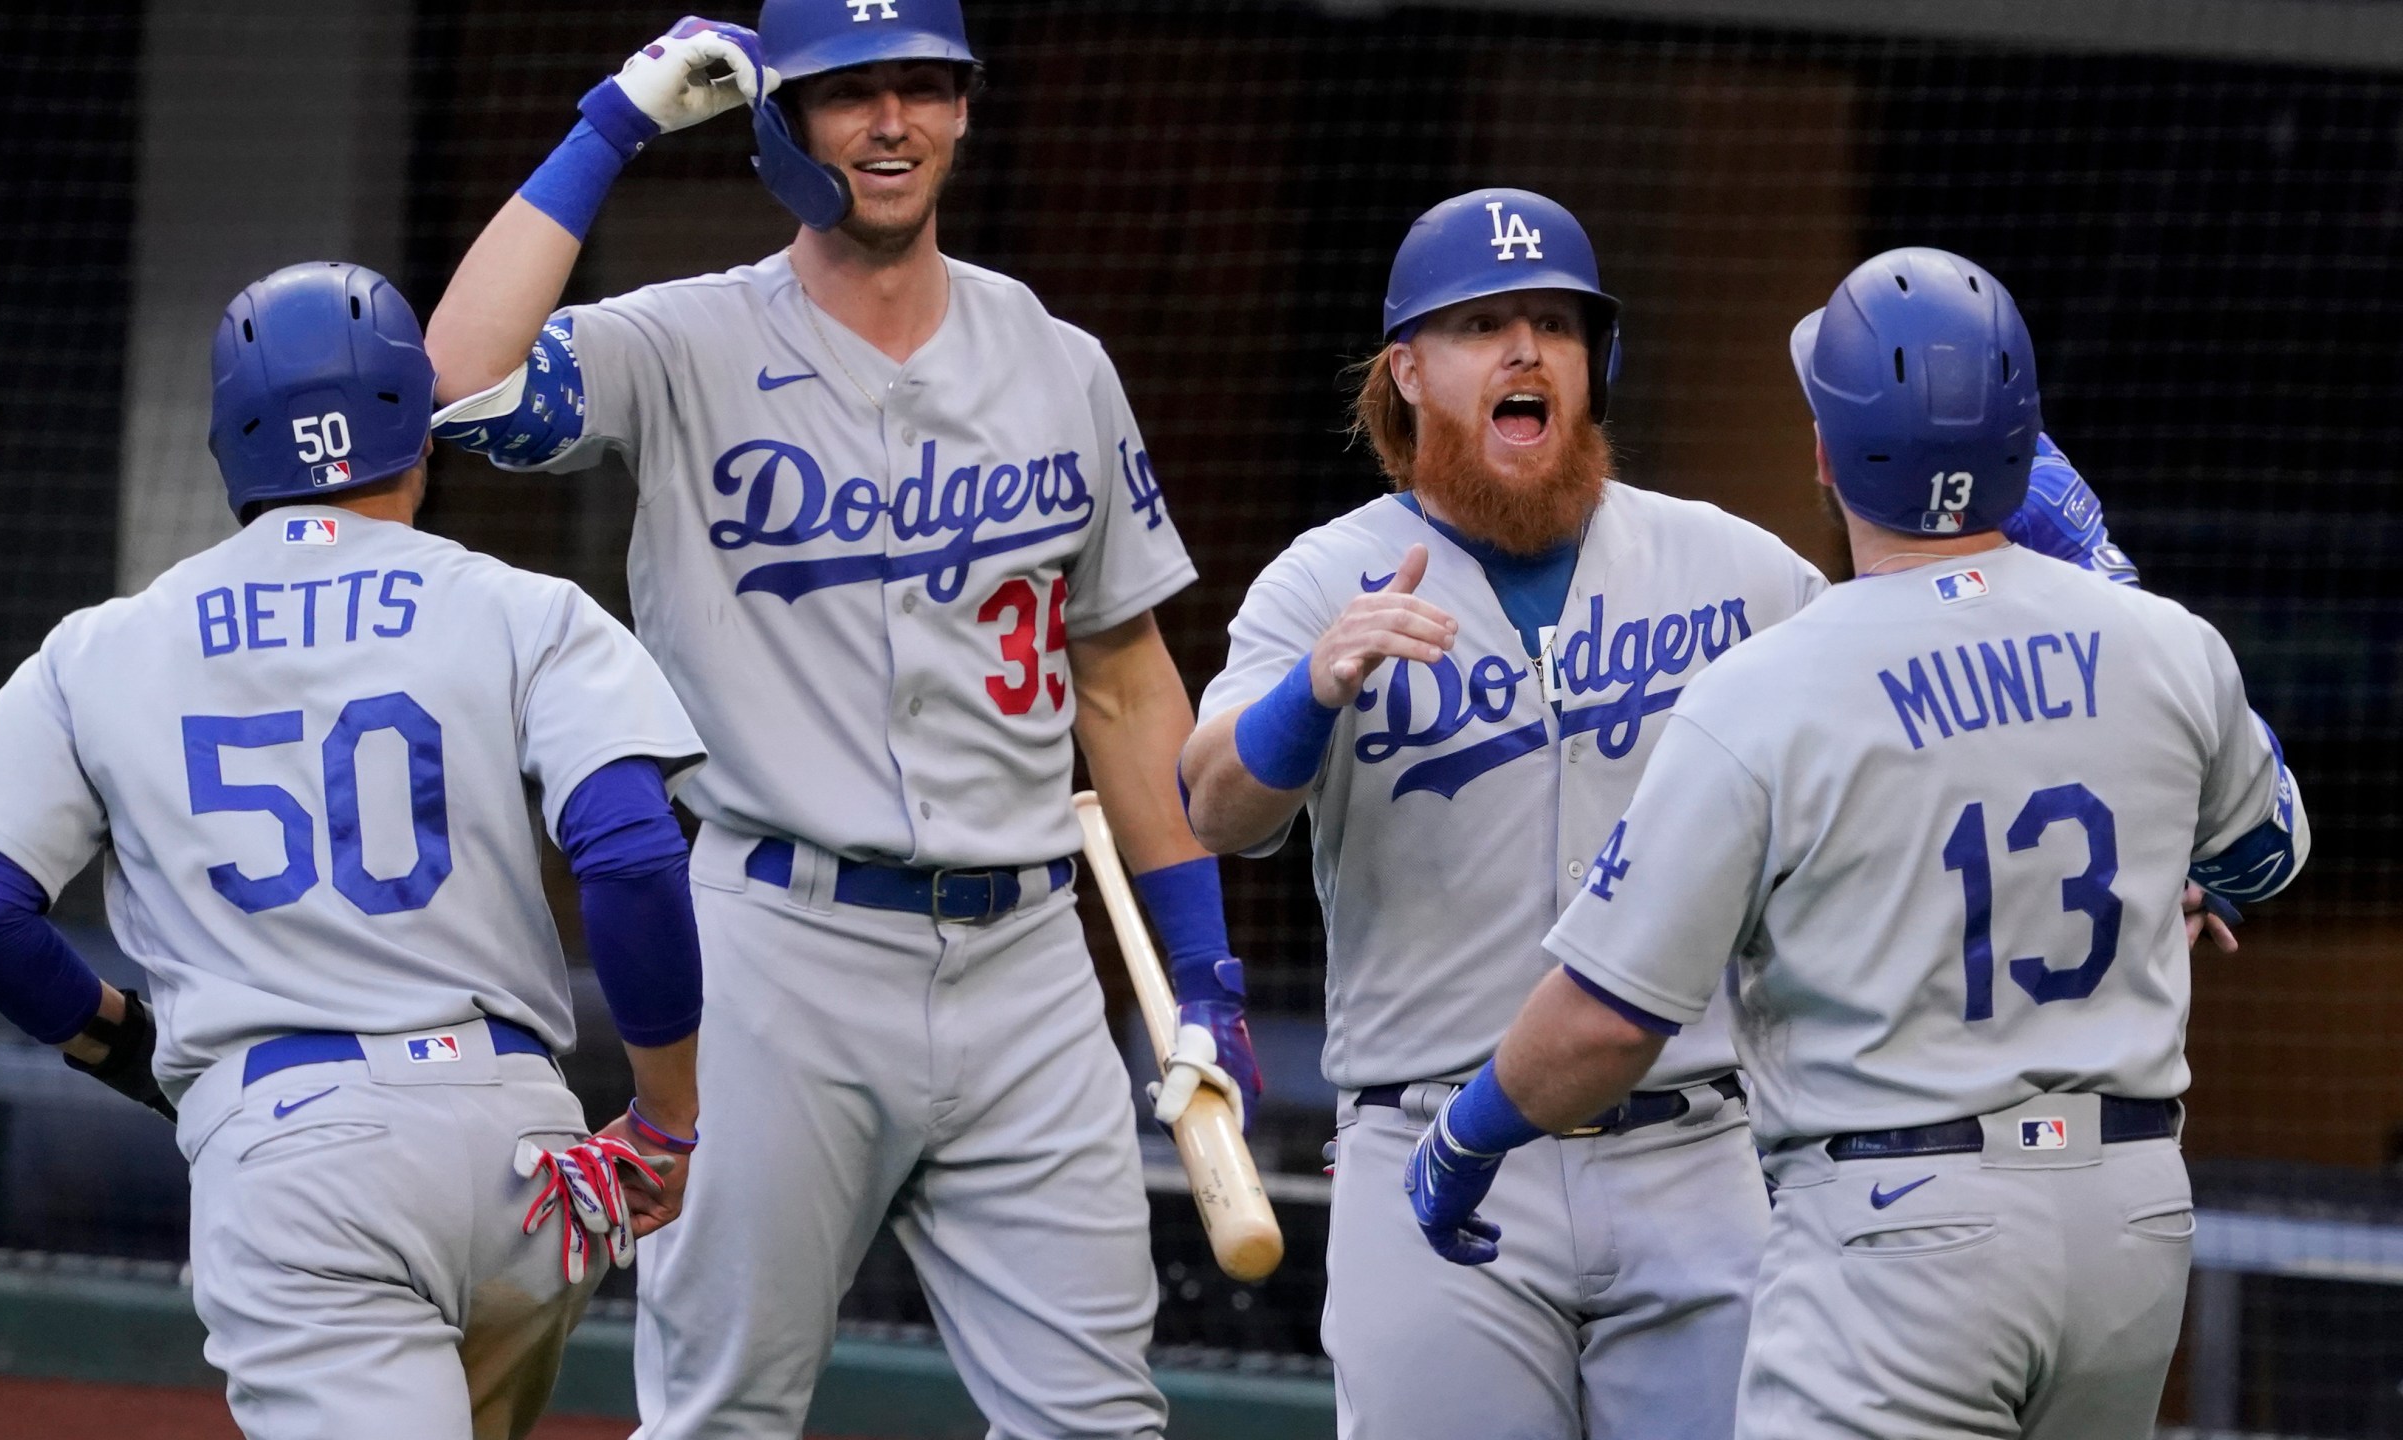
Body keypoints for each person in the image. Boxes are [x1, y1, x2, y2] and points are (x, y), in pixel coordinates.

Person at [421, 4, 1243, 1436]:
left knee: (1101, 1421)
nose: (890, 122)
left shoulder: (1060, 364)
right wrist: (609, 122)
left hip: (1030, 960)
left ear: (967, 108)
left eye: (923, 86)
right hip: (775, 948)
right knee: (726, 1414)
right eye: (848, 92)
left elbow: (1122, 681)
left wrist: (1200, 973)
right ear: (780, 126)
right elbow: (458, 385)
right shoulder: (682, 342)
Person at [1406, 247, 2305, 1439]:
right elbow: (2264, 859)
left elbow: (1608, 1019)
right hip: (2129, 1224)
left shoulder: (1764, 686)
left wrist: (1464, 1136)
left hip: (1900, 1227)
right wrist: (2107, 574)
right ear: (2023, 449)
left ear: (1827, 457)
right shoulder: (2166, 642)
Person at [0, 261, 711, 1440]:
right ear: (416, 426)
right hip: (524, 1157)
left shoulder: (103, 646)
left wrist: (110, 1037)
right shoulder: (525, 608)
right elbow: (633, 854)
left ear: (230, 444)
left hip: (299, 1158)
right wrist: (662, 1120)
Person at [1179, 188, 1826, 1440]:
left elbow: (1888, 751)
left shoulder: (1736, 568)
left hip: (1693, 1148)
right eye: (1481, 324)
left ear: (1597, 366)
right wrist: (1314, 691)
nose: (1525, 350)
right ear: (1409, 374)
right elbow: (1215, 807)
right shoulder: (1324, 577)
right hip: (1424, 1152)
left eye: (1555, 324)